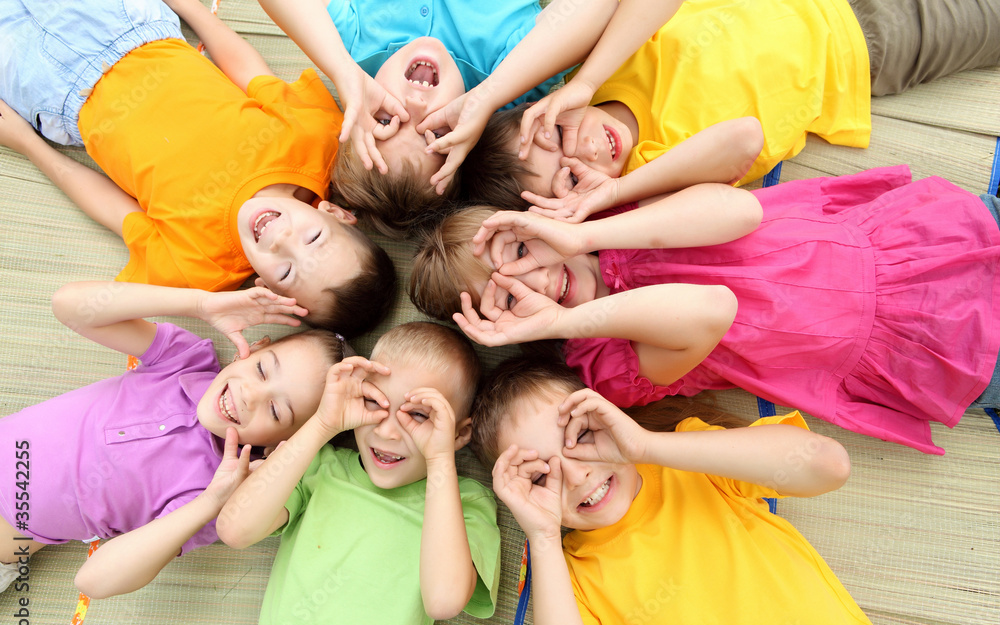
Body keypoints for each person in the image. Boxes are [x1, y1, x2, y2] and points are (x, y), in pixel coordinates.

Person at [409, 162, 1000, 454]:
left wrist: (587, 227)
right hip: (913, 344)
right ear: (507, 328)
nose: (534, 276)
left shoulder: (618, 220)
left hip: (912, 246)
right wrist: (562, 321)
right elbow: (710, 308)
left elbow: (741, 208)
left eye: (518, 249)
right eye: (509, 295)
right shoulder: (605, 363)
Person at [0, 0, 395, 337]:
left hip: (51, 90)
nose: (280, 239)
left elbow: (112, 210)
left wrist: (26, 143)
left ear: (266, 289)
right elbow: (249, 72)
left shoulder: (201, 267)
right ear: (333, 212)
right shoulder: (315, 142)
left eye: (287, 272)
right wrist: (188, 7)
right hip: (130, 24)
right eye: (311, 238)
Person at [474, 356, 903, 625]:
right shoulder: (571, 579)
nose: (576, 475)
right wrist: (543, 537)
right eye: (539, 476)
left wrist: (645, 445)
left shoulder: (689, 461)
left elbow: (828, 466)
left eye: (582, 436)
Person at [461, 0, 1000, 210]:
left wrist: (584, 82)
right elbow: (744, 139)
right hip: (870, 42)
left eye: (555, 135)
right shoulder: (653, 177)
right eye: (572, 182)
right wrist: (616, 194)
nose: (580, 153)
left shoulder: (593, 74)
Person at [0, 280, 348, 598]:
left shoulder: (212, 492)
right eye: (261, 369)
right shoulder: (185, 361)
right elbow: (69, 305)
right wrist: (201, 304)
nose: (249, 396)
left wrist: (211, 502)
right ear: (255, 347)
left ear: (281, 444)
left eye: (276, 411)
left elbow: (93, 581)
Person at [217, 321, 501, 625]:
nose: (387, 431)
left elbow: (443, 602)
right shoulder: (321, 468)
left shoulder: (465, 503)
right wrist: (323, 424)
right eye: (375, 402)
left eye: (418, 416)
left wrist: (440, 458)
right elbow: (233, 530)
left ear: (460, 434)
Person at [258, 0, 662, 236]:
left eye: (386, 119)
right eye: (435, 131)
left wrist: (342, 70)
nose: (415, 106)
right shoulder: (510, 78)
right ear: (468, 138)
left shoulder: (352, 47)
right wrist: (490, 94)